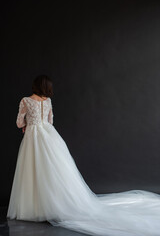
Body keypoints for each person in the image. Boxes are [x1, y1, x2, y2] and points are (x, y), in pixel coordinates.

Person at [7, 75, 160, 236]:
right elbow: (50, 121)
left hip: (33, 137)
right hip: (50, 136)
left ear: (35, 85)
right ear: (47, 87)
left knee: (32, 170)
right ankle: (54, 205)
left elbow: (19, 123)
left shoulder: (26, 100)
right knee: (54, 171)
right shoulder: (48, 101)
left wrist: (26, 125)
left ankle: (33, 208)